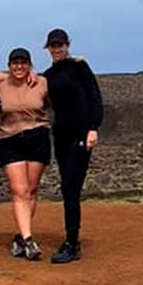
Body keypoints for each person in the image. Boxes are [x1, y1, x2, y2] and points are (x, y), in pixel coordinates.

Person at [42, 27, 103, 264]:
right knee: (67, 186)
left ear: (67, 45)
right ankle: (71, 238)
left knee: (70, 187)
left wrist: (93, 128)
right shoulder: (48, 75)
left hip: (80, 134)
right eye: (53, 46)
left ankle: (72, 242)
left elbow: (94, 97)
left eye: (60, 45)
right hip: (61, 136)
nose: (57, 49)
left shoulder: (80, 68)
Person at [0, 47, 51, 262]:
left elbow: (53, 104)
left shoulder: (42, 83)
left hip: (38, 136)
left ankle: (20, 236)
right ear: (9, 66)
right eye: (14, 63)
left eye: (23, 63)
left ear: (30, 65)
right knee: (19, 190)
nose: (19, 67)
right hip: (10, 139)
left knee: (31, 189)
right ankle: (29, 240)